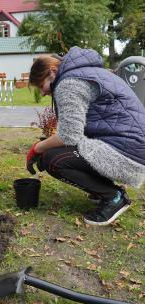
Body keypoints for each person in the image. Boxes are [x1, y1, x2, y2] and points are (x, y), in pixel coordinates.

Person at [27, 46, 145, 226]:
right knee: (54, 149)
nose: (43, 92)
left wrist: (36, 148)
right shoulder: (88, 72)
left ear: (53, 71)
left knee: (51, 159)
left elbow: (69, 136)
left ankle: (114, 197)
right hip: (132, 146)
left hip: (129, 152)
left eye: (41, 85)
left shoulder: (70, 83)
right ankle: (103, 188)